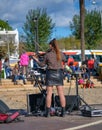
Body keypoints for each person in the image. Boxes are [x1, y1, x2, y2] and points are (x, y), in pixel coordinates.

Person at [33, 38, 66, 117]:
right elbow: (65, 60)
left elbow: (42, 65)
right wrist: (61, 66)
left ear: (51, 46)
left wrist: (36, 59)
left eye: (49, 45)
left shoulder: (47, 54)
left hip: (50, 74)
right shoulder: (60, 53)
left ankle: (47, 113)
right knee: (61, 93)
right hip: (59, 73)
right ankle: (63, 112)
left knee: (49, 94)